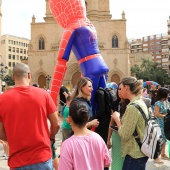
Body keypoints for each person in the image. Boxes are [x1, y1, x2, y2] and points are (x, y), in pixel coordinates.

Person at [0, 63, 60, 169]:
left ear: (13, 76)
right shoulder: (44, 94)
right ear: (29, 75)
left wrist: (13, 138)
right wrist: (50, 136)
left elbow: (0, 133)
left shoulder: (2, 99)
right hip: (42, 158)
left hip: (17, 160)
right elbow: (56, 124)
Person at [58, 100, 112, 170]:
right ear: (88, 117)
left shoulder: (67, 145)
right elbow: (107, 163)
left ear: (70, 119)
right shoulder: (98, 138)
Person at [112, 76, 149, 170]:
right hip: (140, 153)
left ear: (126, 88)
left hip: (134, 155)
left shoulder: (132, 107)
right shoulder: (140, 102)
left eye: (121, 88)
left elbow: (125, 134)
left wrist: (117, 119)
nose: (119, 91)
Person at [107, 84, 130, 170]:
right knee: (116, 160)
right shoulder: (115, 103)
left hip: (127, 136)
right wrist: (108, 139)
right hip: (116, 136)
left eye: (121, 89)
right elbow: (111, 122)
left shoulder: (130, 104)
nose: (119, 91)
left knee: (126, 161)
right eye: (118, 89)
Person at [153, 87, 170, 164]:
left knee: (164, 139)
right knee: (158, 140)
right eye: (167, 93)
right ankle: (156, 156)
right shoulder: (158, 103)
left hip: (165, 123)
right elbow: (156, 114)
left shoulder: (166, 102)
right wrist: (165, 115)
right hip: (159, 123)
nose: (168, 95)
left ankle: (163, 154)